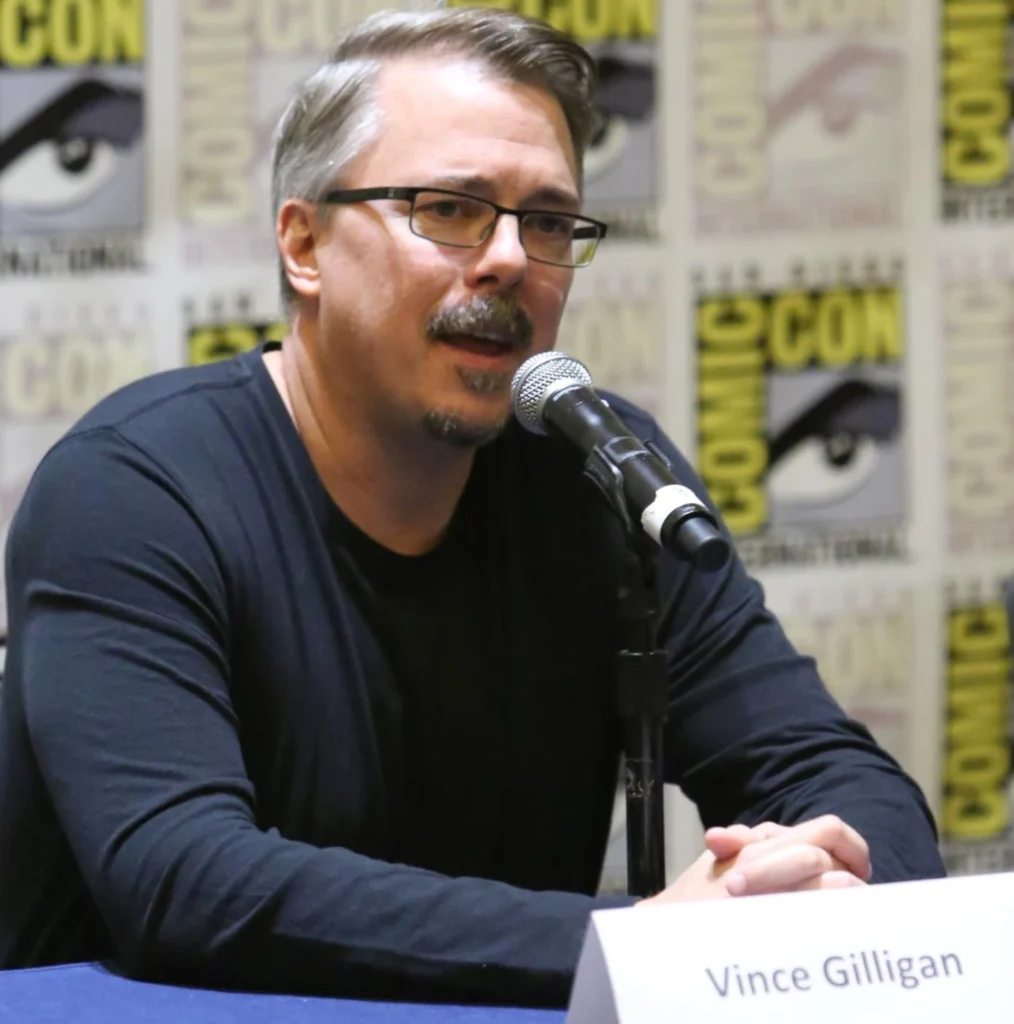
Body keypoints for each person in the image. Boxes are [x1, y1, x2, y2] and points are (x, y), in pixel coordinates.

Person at [0, 6, 944, 1008]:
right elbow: (187, 881)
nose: (507, 259)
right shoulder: (135, 488)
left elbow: (830, 770)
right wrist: (649, 939)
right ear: (304, 242)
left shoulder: (601, 478)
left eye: (545, 221)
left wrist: (820, 885)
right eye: (449, 209)